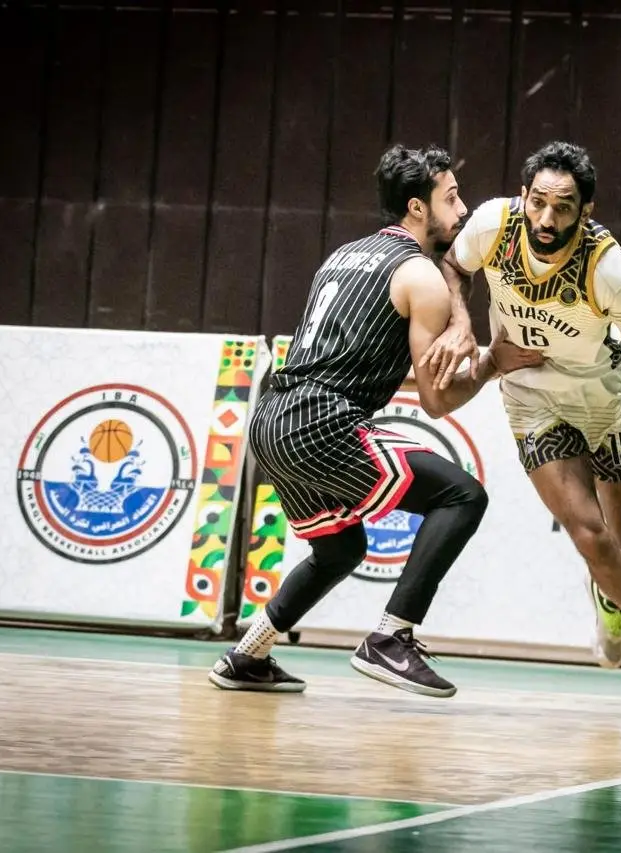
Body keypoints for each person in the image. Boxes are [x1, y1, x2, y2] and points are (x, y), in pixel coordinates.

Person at [209, 143, 532, 699]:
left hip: (270, 420)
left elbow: (351, 353)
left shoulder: (342, 255)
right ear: (417, 208)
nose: (462, 210)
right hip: (319, 421)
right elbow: (436, 400)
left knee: (340, 549)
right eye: (451, 198)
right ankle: (391, 638)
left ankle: (247, 654)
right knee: (462, 496)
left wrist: (460, 326)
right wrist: (491, 364)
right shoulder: (421, 277)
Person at [423, 141, 621, 711]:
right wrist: (463, 324)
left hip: (602, 403)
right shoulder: (492, 225)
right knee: (590, 533)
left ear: (585, 212)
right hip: (532, 399)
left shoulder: (610, 270)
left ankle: (609, 594)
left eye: (562, 207)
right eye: (537, 202)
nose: (545, 218)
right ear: (523, 196)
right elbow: (451, 267)